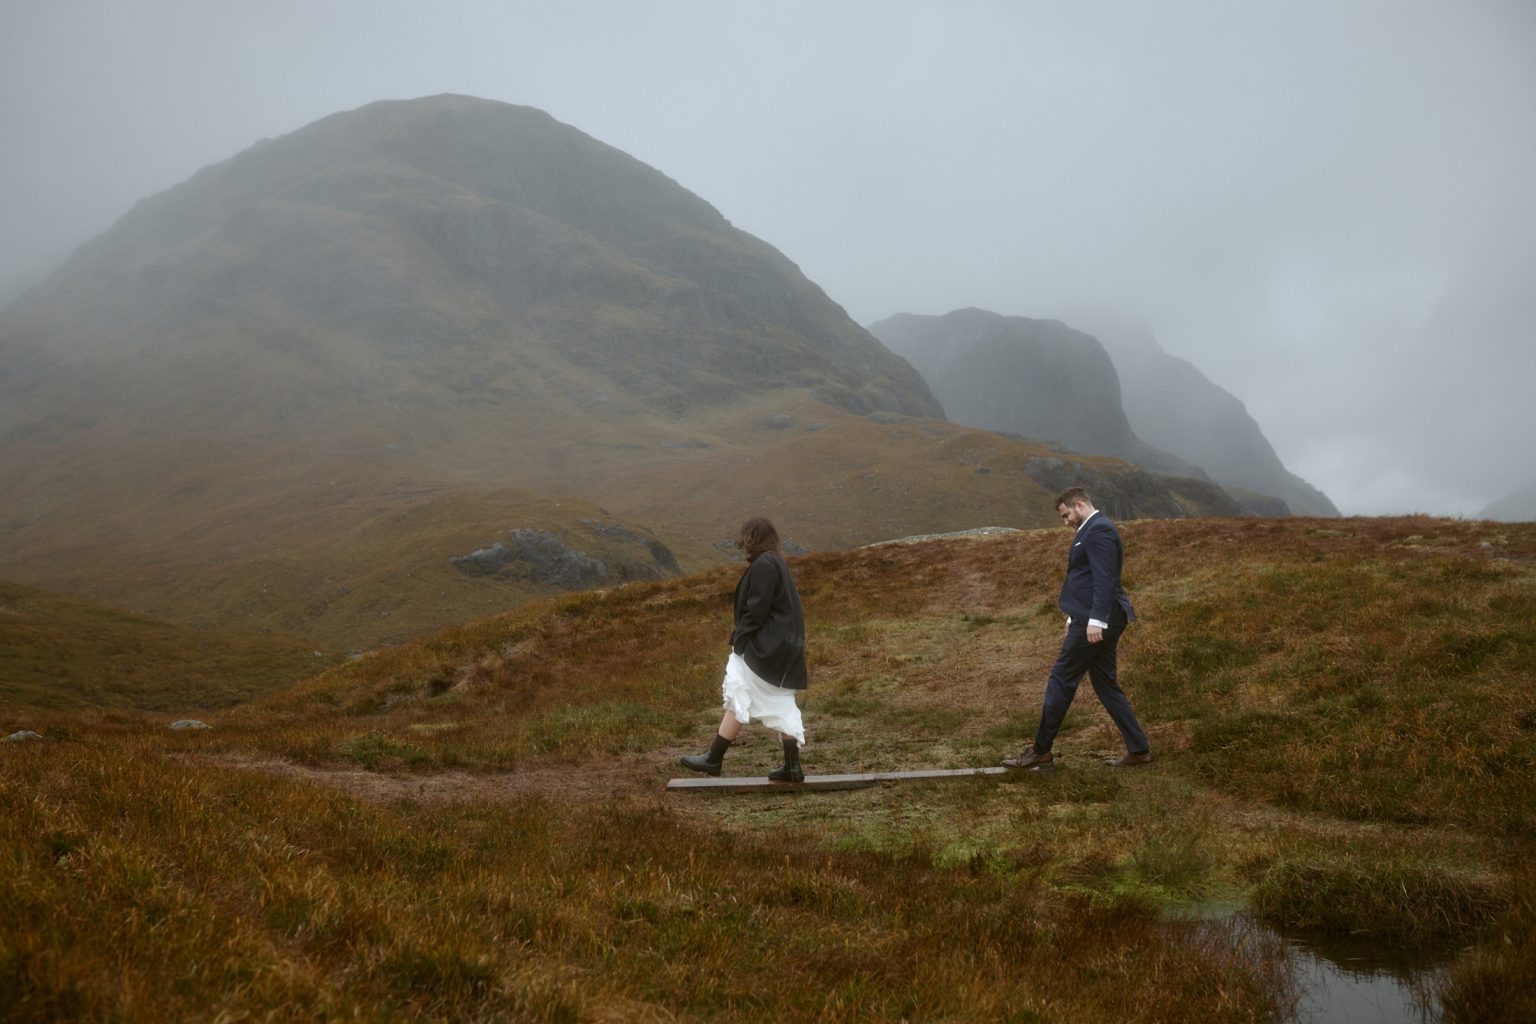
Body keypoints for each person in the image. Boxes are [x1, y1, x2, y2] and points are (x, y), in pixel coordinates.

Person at [1003, 486, 1152, 771]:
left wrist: (1096, 619)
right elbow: (1086, 577)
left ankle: (1041, 751)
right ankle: (1139, 749)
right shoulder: (1090, 530)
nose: (1066, 521)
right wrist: (1075, 615)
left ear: (1079, 505)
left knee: (1061, 679)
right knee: (1106, 685)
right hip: (1092, 619)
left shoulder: (1099, 531)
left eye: (1066, 515)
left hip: (1097, 622)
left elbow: (1105, 578)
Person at [680, 516, 809, 782]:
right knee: (778, 700)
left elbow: (757, 608)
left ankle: (713, 758)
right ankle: (791, 766)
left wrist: (740, 639)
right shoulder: (775, 562)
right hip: (784, 647)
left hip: (769, 646)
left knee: (740, 688)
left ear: (751, 538)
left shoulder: (764, 565)